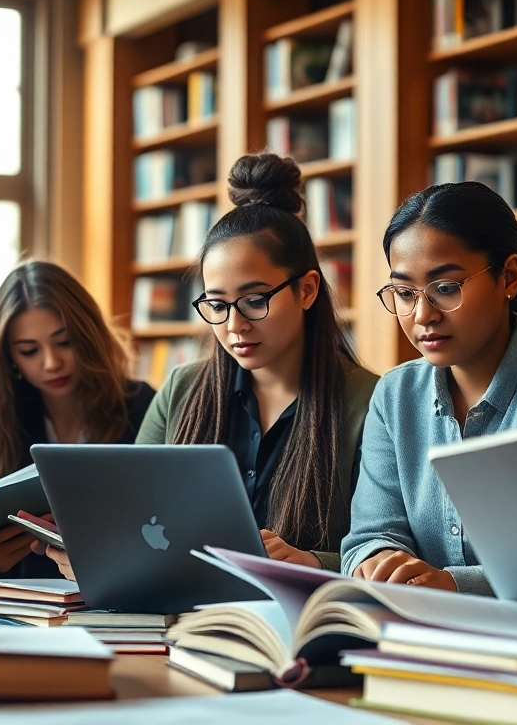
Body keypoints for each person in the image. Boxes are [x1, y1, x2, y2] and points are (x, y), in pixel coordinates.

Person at [131, 153, 378, 573]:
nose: (234, 325)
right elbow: (129, 512)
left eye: (255, 300)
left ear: (307, 290)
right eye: (216, 304)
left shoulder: (371, 403)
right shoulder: (181, 390)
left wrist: (311, 562)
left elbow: (395, 552)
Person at [339, 182, 517, 591]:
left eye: (446, 288)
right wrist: (378, 560)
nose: (422, 315)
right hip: (419, 635)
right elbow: (369, 536)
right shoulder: (394, 394)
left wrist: (452, 585)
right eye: (404, 292)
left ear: (508, 276)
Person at [0, 261, 155, 593]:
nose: (51, 362)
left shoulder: (141, 406)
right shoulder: (1, 421)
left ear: (88, 336)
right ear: (9, 357)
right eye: (29, 350)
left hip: (122, 607)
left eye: (64, 341)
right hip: (27, 614)